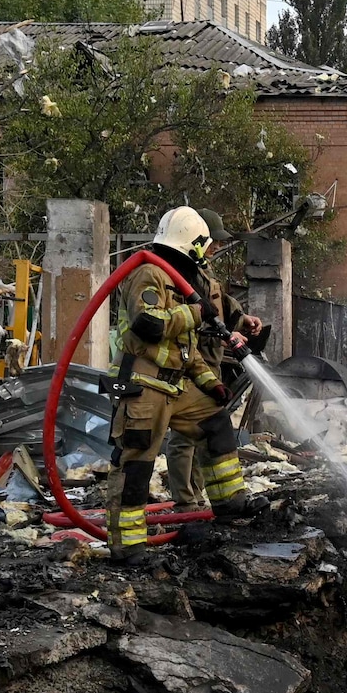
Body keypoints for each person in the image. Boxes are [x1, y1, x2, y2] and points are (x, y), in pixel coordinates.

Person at [104, 205, 262, 552]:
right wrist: (196, 311)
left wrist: (209, 382)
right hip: (143, 387)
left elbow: (185, 350)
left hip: (177, 384)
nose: (209, 253)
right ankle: (126, 546)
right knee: (137, 465)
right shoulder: (149, 274)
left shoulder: (184, 278)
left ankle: (229, 501)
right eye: (205, 246)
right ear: (192, 244)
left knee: (215, 424)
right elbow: (149, 325)